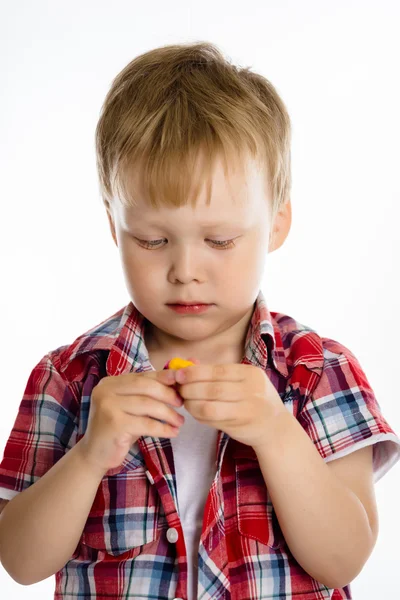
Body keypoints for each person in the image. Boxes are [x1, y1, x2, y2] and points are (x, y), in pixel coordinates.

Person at [0, 41, 399, 600]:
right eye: (152, 240)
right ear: (115, 228)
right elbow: (19, 561)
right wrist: (89, 454)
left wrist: (276, 434)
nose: (185, 270)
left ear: (276, 225)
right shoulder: (70, 377)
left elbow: (343, 560)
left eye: (220, 240)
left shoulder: (318, 371)